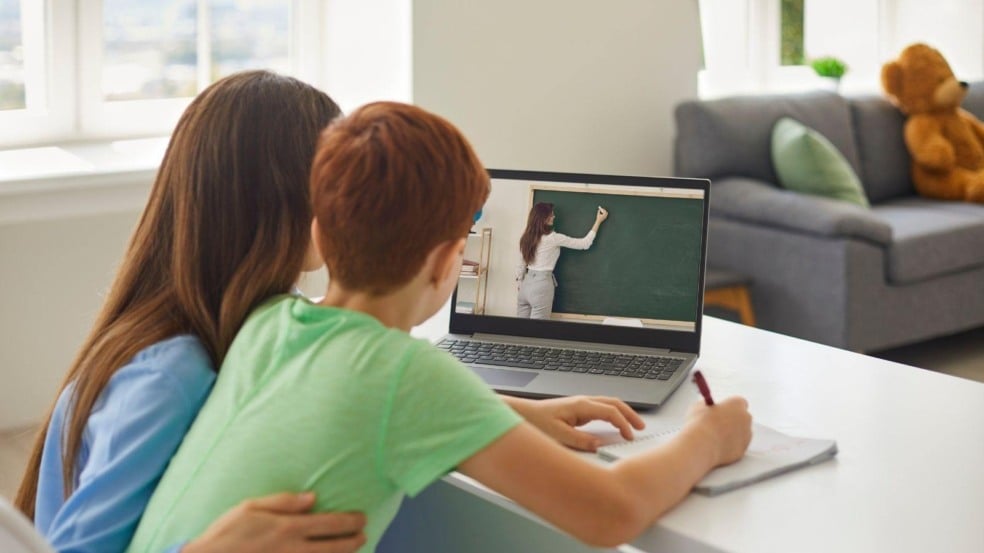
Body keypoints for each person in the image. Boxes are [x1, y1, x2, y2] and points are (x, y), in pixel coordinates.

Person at [126, 101, 753, 552]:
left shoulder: (268, 320)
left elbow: (355, 397)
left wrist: (518, 412)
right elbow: (609, 513)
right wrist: (707, 438)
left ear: (319, 232)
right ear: (448, 261)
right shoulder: (406, 375)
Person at [13, 71, 367, 553]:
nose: (346, 205)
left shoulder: (264, 323)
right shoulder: (168, 375)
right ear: (278, 199)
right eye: (334, 182)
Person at [516, 202, 608, 319]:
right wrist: (598, 221)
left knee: (520, 327)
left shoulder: (526, 238)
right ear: (543, 218)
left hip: (525, 285)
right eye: (551, 215)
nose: (554, 217)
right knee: (537, 328)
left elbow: (521, 264)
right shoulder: (553, 238)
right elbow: (584, 243)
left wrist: (520, 283)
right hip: (541, 286)